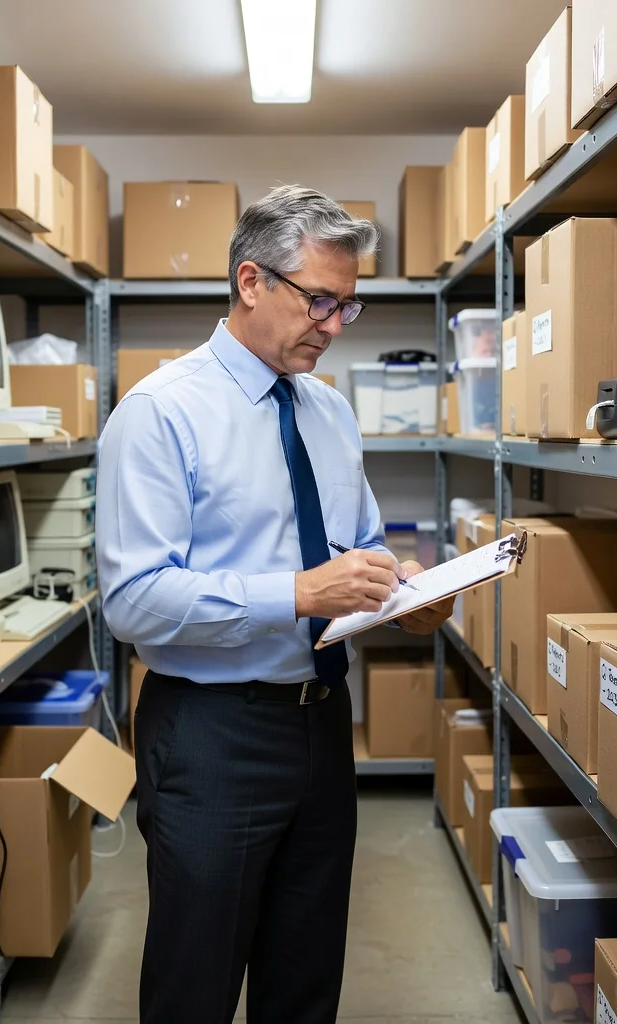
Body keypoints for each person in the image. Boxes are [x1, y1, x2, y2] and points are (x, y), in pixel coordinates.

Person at [96, 184, 454, 1024]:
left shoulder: (330, 412)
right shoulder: (159, 414)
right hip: (212, 736)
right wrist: (294, 594)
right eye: (319, 300)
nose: (332, 324)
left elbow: (358, 547)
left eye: (348, 305)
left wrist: (404, 593)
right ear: (250, 282)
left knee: (305, 978)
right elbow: (135, 602)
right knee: (197, 981)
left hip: (323, 724)